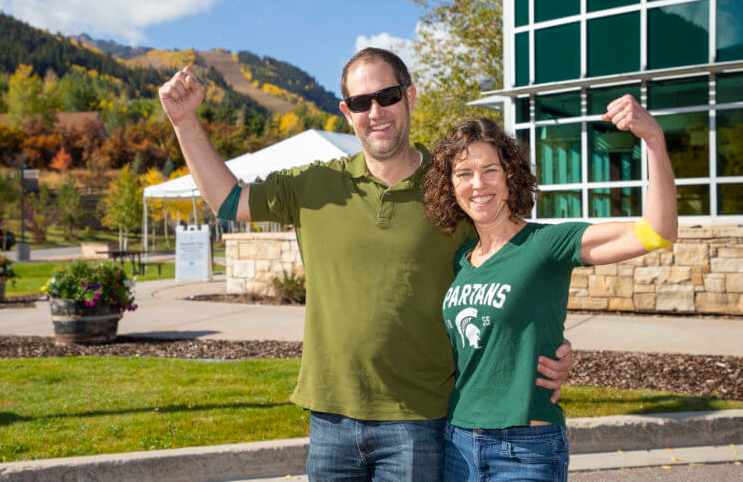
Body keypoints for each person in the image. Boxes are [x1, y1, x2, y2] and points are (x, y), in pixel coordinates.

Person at [158, 47, 573, 481]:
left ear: (410, 97)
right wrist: (184, 123)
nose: (375, 111)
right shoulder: (314, 185)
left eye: (387, 96)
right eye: (360, 102)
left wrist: (547, 344)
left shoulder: (455, 186)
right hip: (331, 421)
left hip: (420, 422)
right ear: (346, 112)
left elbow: (516, 261)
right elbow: (227, 200)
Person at [422, 97, 678, 481]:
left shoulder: (546, 244)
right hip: (458, 443)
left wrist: (654, 140)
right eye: (463, 173)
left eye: (490, 170)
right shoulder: (461, 259)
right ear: (451, 185)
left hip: (525, 448)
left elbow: (656, 232)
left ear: (511, 176)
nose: (478, 184)